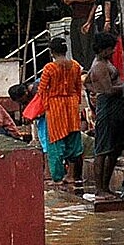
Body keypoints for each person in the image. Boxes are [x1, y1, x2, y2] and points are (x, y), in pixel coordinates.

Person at [36, 38, 88, 191]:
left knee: (56, 144)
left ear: (51, 52)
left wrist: (45, 106)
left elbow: (42, 90)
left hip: (55, 107)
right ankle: (72, 176)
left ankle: (58, 178)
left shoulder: (49, 68)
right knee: (74, 142)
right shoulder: (76, 66)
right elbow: (79, 88)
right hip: (71, 105)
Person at [86, 32, 124, 199]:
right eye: (110, 49)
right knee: (102, 151)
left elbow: (87, 83)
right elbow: (107, 90)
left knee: (114, 149)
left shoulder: (105, 62)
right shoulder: (99, 66)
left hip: (115, 109)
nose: (113, 51)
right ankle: (100, 189)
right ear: (103, 50)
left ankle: (105, 187)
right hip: (107, 109)